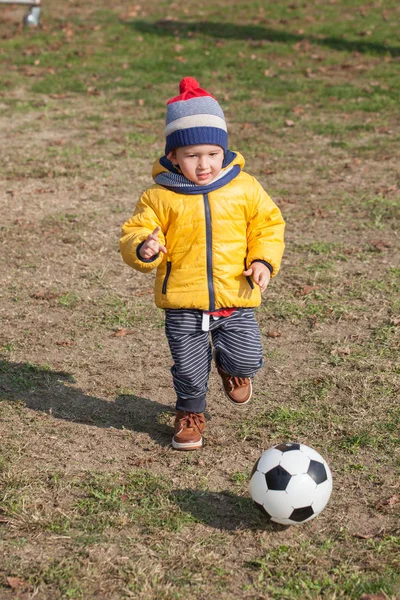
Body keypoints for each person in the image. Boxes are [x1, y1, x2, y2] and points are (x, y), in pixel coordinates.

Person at [120, 77, 285, 451]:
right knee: (190, 370)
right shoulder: (160, 196)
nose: (204, 164)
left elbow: (268, 225)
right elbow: (136, 231)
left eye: (212, 154)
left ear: (223, 150)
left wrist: (262, 260)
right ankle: (190, 413)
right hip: (183, 301)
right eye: (192, 156)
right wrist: (143, 247)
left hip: (236, 296)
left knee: (248, 358)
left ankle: (232, 368)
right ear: (174, 156)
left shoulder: (245, 187)